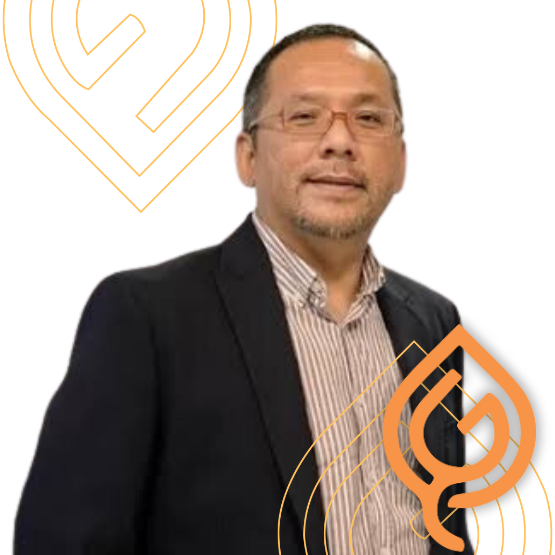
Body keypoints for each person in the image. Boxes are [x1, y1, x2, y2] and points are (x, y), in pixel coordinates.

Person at [14, 23, 472, 555]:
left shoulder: (432, 322)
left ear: (401, 163)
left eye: (369, 119)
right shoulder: (147, 317)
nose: (340, 141)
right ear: (247, 157)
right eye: (304, 116)